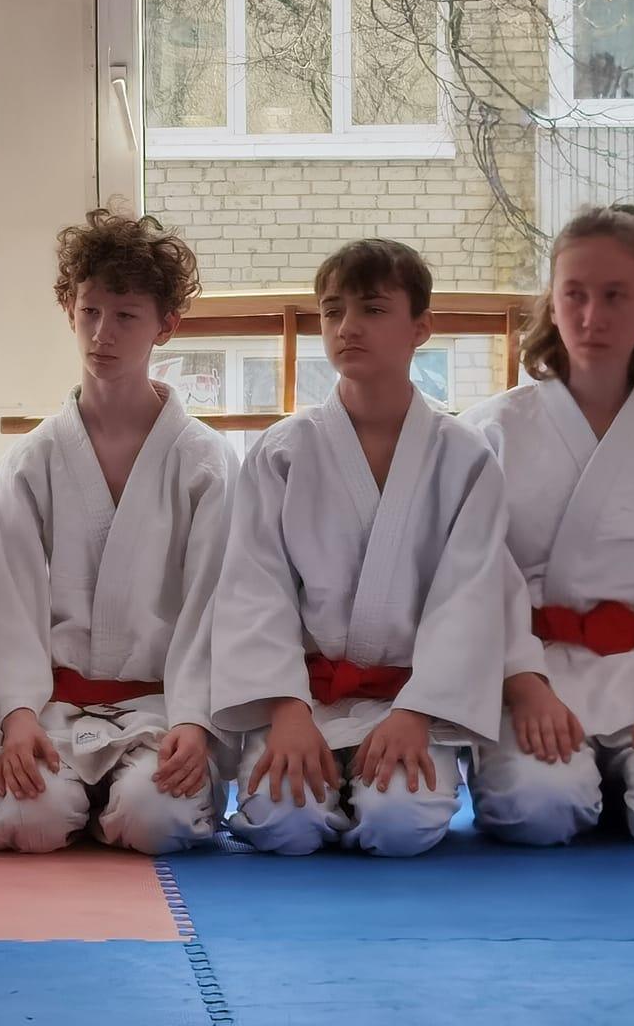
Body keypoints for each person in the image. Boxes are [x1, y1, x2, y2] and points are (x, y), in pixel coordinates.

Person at [210, 239, 513, 857]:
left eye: (372, 309)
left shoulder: (465, 457)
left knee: (401, 825)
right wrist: (286, 709)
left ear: (421, 327)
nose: (347, 327)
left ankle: (388, 767)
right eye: (332, 311)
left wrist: (418, 711)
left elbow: (470, 599)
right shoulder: (283, 451)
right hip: (303, 699)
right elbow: (255, 588)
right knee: (284, 826)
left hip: (409, 700)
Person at [0, 211, 233, 856]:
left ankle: (115, 802)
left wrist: (195, 719)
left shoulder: (204, 462)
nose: (102, 333)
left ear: (166, 325)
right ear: (69, 307)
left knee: (155, 820)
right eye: (89, 311)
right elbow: (8, 604)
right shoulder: (31, 462)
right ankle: (78, 803)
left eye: (126, 316)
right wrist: (18, 715)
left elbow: (214, 606)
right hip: (52, 712)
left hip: (163, 712)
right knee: (30, 823)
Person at [461, 204, 634, 847]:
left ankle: (627, 782)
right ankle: (588, 784)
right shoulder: (490, 433)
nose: (591, 316)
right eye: (574, 294)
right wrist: (522, 684)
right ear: (551, 305)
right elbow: (469, 580)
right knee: (538, 807)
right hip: (531, 673)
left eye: (614, 296)